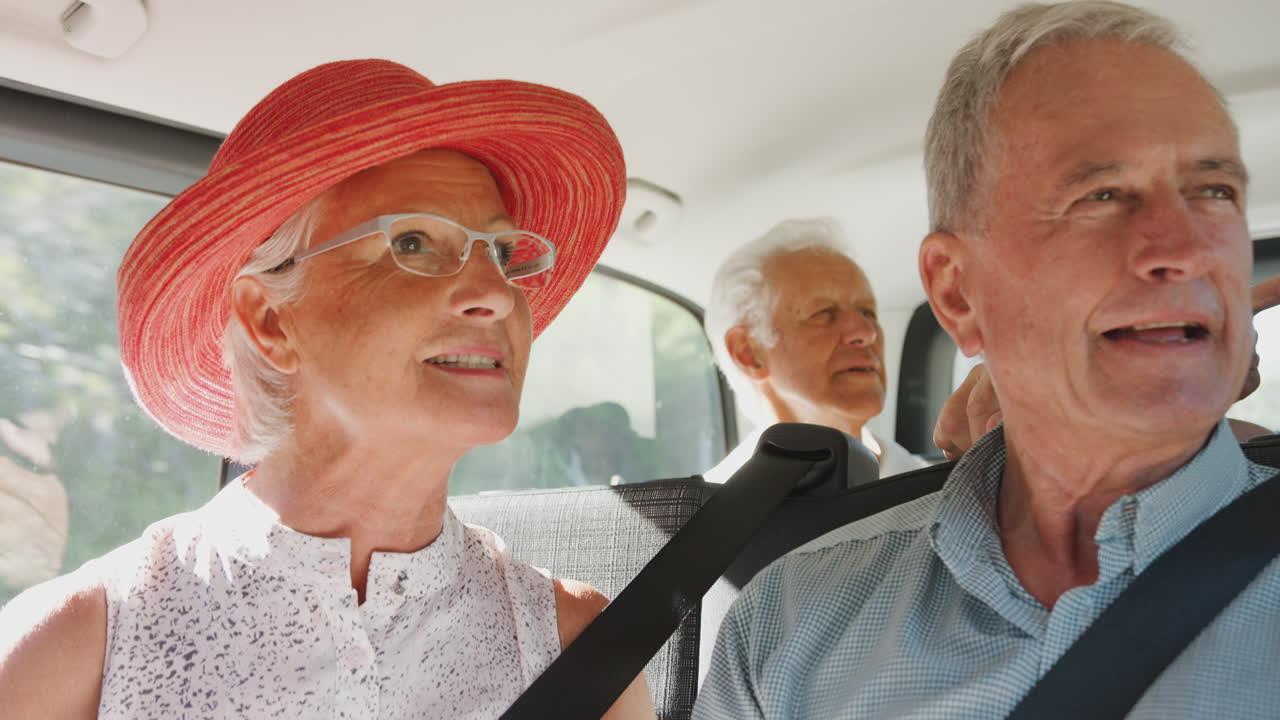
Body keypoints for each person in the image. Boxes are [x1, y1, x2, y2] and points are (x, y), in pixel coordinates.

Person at [0, 60, 653, 719]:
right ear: (269, 320)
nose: (494, 293)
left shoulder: (582, 651)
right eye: (414, 242)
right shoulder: (80, 647)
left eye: (503, 253)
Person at [694, 2, 1280, 718]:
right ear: (959, 293)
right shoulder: (786, 625)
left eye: (1215, 192)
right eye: (1101, 195)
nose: (1185, 247)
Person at [702, 218, 927, 484]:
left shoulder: (945, 490)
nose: (866, 333)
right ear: (749, 353)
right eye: (823, 313)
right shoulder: (712, 514)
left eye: (867, 312)